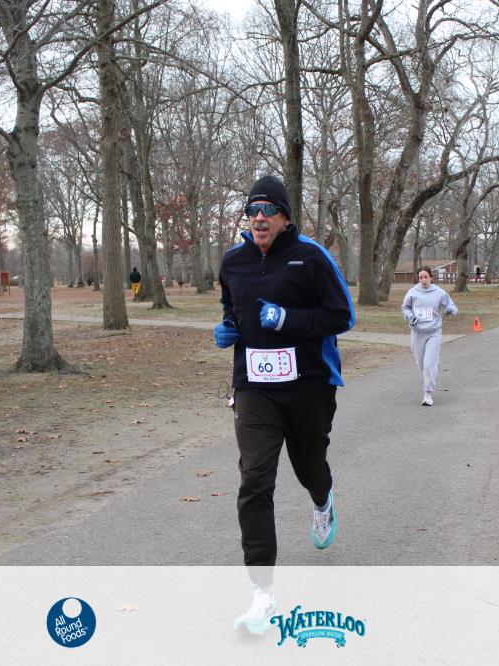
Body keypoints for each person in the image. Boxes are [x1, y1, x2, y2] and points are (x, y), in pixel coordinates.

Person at [215, 175, 355, 634]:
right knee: (255, 479)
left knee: (309, 466)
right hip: (254, 388)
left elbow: (343, 316)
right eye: (252, 210)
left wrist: (288, 319)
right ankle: (262, 593)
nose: (259, 218)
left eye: (268, 210)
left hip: (309, 386)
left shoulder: (311, 257)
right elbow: (232, 310)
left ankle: (322, 497)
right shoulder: (233, 262)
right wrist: (228, 329)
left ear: (285, 217)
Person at [401, 266, 457, 406]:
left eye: (426, 277)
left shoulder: (439, 292)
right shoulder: (412, 292)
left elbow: (451, 306)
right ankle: (432, 369)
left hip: (434, 332)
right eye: (421, 277)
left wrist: (450, 310)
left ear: (431, 277)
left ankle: (427, 394)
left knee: (428, 364)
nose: (423, 280)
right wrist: (410, 316)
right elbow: (405, 308)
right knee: (422, 364)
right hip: (417, 333)